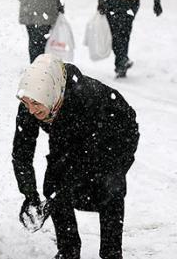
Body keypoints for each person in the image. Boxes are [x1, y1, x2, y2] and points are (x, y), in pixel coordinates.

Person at [12, 54, 139, 259]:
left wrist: (112, 170)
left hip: (115, 133)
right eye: (26, 103)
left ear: (50, 94)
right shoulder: (33, 100)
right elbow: (21, 153)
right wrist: (30, 195)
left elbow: (74, 156)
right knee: (54, 186)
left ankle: (111, 252)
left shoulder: (83, 98)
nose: (31, 110)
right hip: (74, 136)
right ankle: (68, 251)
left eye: (35, 104)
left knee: (109, 188)